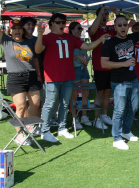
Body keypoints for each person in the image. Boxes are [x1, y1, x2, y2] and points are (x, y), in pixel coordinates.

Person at [35, 13, 109, 143]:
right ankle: (45, 131)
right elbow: (38, 50)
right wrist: (40, 35)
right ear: (51, 23)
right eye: (58, 22)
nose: (62, 25)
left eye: (63, 22)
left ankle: (62, 128)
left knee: (65, 104)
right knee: (49, 104)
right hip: (52, 77)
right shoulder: (47, 37)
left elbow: (87, 46)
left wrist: (100, 40)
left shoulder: (70, 38)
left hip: (68, 76)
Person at [101, 15, 139, 150]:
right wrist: (123, 63)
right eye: (120, 25)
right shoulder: (109, 43)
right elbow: (104, 63)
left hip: (133, 79)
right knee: (119, 110)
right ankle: (116, 138)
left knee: (133, 107)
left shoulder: (132, 37)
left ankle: (126, 131)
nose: (123, 27)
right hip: (119, 82)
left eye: (125, 24)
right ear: (115, 27)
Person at [0, 19, 42, 145]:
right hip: (16, 78)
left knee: (35, 104)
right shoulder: (6, 41)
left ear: (22, 30)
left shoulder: (29, 42)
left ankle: (28, 126)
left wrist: (39, 73)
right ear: (10, 31)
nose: (17, 30)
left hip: (32, 76)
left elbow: (36, 56)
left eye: (19, 28)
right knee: (21, 106)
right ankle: (20, 135)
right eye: (14, 28)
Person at [88, 6, 119, 129]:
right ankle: (96, 118)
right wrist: (100, 12)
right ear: (98, 15)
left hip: (111, 66)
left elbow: (121, 28)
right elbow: (91, 32)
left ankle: (104, 115)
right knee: (99, 93)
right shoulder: (95, 28)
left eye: (107, 14)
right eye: (103, 14)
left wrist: (116, 14)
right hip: (100, 66)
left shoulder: (110, 28)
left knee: (107, 92)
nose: (105, 16)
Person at [69, 21, 91, 129]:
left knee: (85, 92)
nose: (80, 31)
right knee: (74, 95)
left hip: (83, 69)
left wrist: (86, 60)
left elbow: (84, 55)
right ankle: (75, 119)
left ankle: (84, 116)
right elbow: (67, 59)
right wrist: (78, 57)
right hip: (74, 69)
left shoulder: (82, 41)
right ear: (72, 30)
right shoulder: (69, 41)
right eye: (78, 29)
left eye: (81, 29)